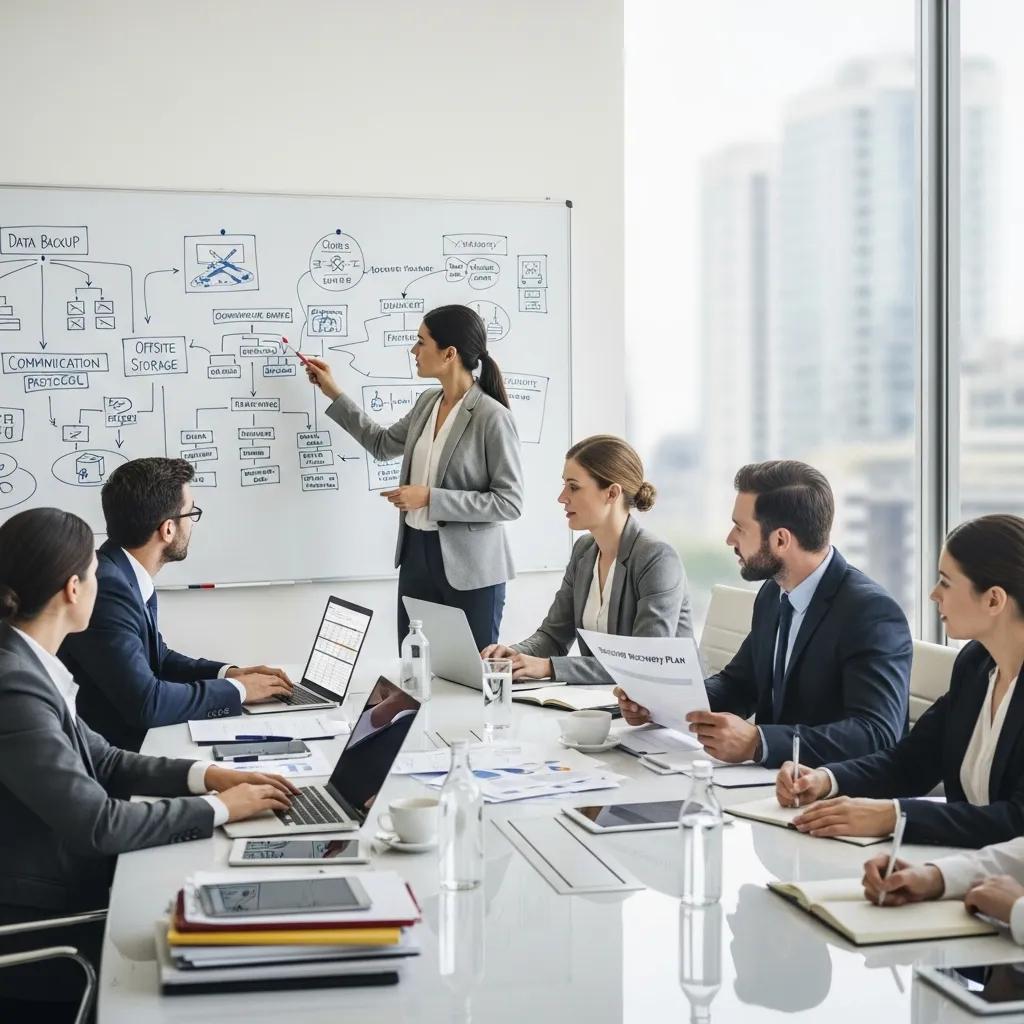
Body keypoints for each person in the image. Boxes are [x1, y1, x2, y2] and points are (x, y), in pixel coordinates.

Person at [0, 507, 297, 1020]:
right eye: (95, 572)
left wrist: (207, 776)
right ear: (73, 589)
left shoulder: (30, 663)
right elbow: (99, 823)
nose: (103, 581)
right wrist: (220, 809)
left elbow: (106, 760)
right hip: (48, 925)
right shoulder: (15, 685)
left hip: (67, 887)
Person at [615, 461, 911, 767]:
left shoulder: (870, 613)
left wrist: (760, 743)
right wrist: (661, 702)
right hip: (768, 784)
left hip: (834, 794)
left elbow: (877, 733)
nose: (730, 539)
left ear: (781, 540)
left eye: (740, 528)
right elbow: (740, 685)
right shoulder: (774, 592)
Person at [777, 514, 1024, 848]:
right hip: (961, 868)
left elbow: (1016, 820)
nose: (934, 594)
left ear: (994, 599)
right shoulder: (976, 665)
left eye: (946, 582)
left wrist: (895, 816)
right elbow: (912, 761)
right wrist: (825, 779)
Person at [304, 304, 524, 650]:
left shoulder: (491, 417)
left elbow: (508, 502)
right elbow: (381, 443)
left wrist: (430, 498)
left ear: (449, 353)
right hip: (416, 556)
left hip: (471, 570)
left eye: (420, 342)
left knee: (468, 680)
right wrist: (333, 391)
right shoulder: (427, 403)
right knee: (414, 670)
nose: (413, 350)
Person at [60, 458, 293, 751]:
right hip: (105, 762)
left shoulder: (122, 575)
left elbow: (159, 658)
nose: (192, 523)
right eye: (190, 513)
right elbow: (147, 703)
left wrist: (228, 674)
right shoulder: (106, 588)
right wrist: (240, 691)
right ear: (167, 529)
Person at [481, 434, 692, 682]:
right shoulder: (584, 551)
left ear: (612, 493)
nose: (562, 497)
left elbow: (645, 661)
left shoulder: (656, 558)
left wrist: (551, 668)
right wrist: (513, 656)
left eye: (574, 486)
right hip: (606, 700)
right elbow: (553, 636)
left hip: (667, 705)